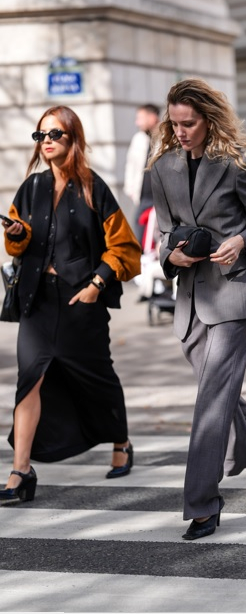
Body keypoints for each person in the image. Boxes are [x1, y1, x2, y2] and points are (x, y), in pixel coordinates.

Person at [147, 78, 246, 540]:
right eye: (175, 123)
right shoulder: (162, 168)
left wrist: (242, 241)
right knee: (221, 393)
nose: (180, 131)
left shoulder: (241, 161)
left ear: (209, 118)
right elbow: (166, 233)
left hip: (235, 291)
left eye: (189, 123)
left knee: (210, 401)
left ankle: (202, 504)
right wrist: (173, 255)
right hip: (190, 297)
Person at [2, 106, 142, 501]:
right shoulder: (30, 188)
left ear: (73, 139)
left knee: (97, 377)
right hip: (38, 300)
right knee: (28, 382)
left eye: (55, 134)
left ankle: (121, 441)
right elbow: (18, 244)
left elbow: (124, 248)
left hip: (82, 300)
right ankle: (20, 472)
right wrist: (16, 234)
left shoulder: (94, 187)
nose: (45, 141)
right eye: (40, 135)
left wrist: (98, 283)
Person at [124, 104, 161, 243]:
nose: (137, 123)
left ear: (152, 117)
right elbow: (131, 164)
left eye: (140, 118)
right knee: (139, 230)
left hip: (161, 197)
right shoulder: (138, 139)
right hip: (143, 196)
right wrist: (130, 189)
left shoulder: (166, 137)